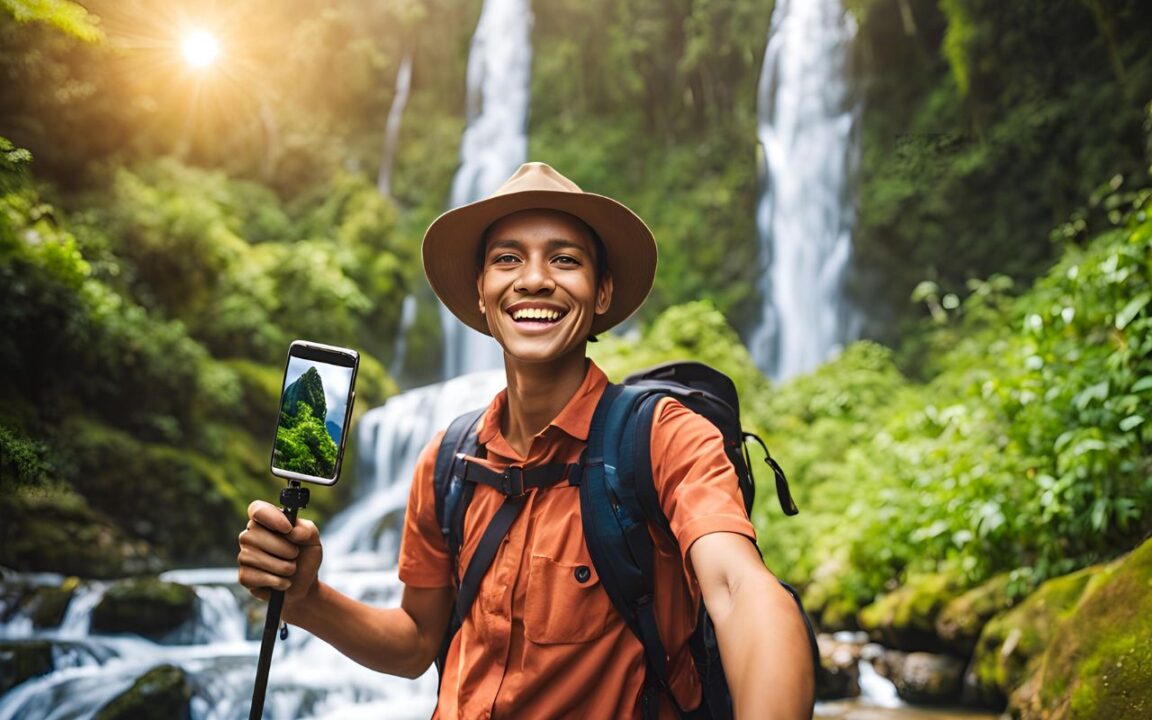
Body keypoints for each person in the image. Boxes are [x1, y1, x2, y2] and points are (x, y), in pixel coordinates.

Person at [237, 162, 816, 718]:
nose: (534, 279)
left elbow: (741, 591)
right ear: (483, 294)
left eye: (564, 260)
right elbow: (416, 642)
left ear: (603, 291)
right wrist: (307, 597)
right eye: (508, 259)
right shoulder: (447, 461)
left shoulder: (662, 438)